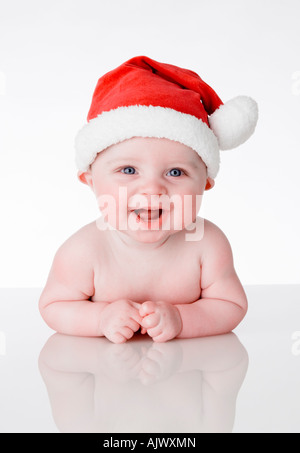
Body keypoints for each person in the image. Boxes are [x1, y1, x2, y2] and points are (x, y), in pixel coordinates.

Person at [39, 56, 258, 343]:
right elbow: (54, 306)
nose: (152, 190)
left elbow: (231, 306)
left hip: (184, 376)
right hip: (108, 376)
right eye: (128, 170)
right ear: (90, 181)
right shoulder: (83, 251)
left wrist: (182, 320)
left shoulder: (207, 244)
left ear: (204, 184)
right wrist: (100, 319)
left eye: (176, 172)